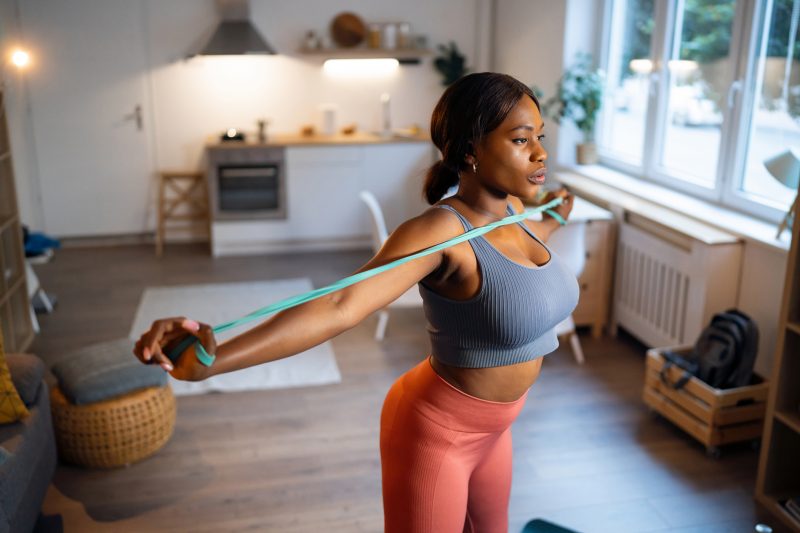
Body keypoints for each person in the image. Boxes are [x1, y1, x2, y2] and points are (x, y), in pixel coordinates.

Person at [133, 72, 578, 533]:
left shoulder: (517, 216)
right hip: (438, 433)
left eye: (539, 137)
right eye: (522, 139)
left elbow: (519, 262)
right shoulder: (439, 233)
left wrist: (554, 219)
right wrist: (214, 361)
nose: (541, 152)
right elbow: (339, 305)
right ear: (470, 149)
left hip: (497, 429)